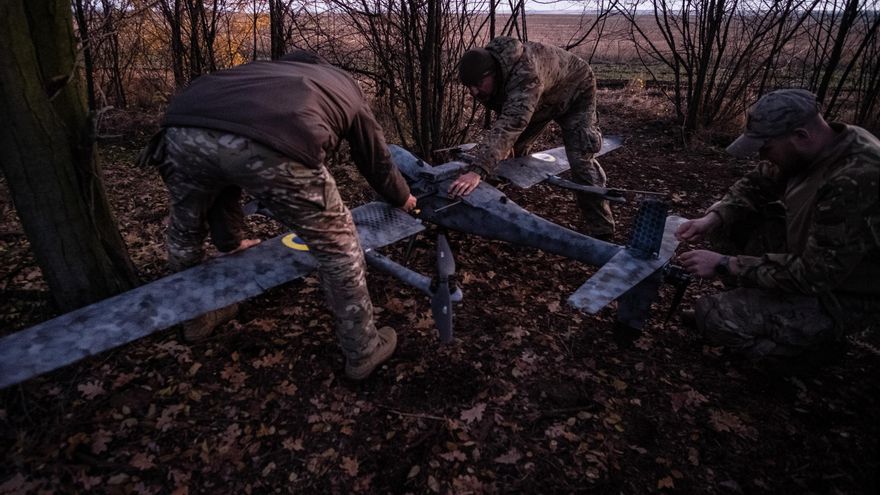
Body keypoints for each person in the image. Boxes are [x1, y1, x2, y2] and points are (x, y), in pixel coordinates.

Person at [143, 50, 417, 380]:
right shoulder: (342, 84)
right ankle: (363, 350)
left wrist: (230, 241)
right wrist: (402, 197)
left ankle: (196, 319)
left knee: (185, 233)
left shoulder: (256, 74)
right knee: (339, 246)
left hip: (180, 131)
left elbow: (221, 174)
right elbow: (375, 158)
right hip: (276, 143)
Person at [676, 88, 880, 365]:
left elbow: (815, 274)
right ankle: (754, 303)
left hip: (842, 297)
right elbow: (757, 184)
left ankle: (812, 348)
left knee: (715, 319)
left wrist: (726, 263)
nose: (762, 156)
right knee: (728, 222)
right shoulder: (818, 146)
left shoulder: (855, 179)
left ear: (800, 136)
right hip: (812, 262)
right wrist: (714, 217)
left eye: (766, 148)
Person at [449, 37, 615, 239]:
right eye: (469, 87)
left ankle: (602, 231)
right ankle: (492, 213)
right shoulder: (494, 75)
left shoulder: (525, 74)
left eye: (478, 84)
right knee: (505, 156)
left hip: (575, 91)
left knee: (581, 159)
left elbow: (512, 121)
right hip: (541, 101)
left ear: (491, 73)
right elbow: (508, 115)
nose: (473, 92)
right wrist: (503, 149)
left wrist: (477, 170)